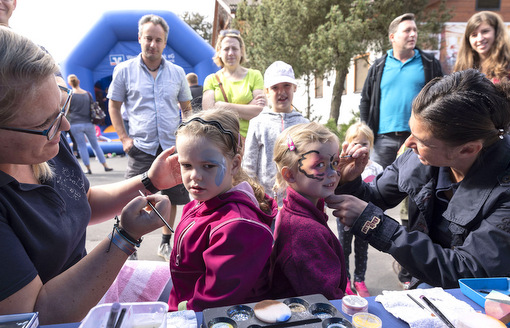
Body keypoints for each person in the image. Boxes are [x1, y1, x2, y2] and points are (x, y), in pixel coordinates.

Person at [0, 26, 179, 324]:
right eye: (46, 122)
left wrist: (150, 180)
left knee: (190, 283)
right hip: (64, 312)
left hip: (92, 288)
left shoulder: (47, 144)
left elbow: (85, 202)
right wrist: (124, 237)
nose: (65, 126)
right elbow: (38, 313)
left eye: (62, 108)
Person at [327, 69, 510, 289]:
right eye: (410, 131)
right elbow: (374, 197)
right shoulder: (420, 157)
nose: (407, 143)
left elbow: (469, 271)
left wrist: (379, 227)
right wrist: (351, 182)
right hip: (424, 281)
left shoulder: (504, 192)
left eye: (422, 139)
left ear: (467, 149)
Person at [168, 108, 277, 311]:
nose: (195, 176)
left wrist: (178, 314)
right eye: (186, 165)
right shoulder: (201, 202)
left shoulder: (237, 227)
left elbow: (213, 302)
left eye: (208, 166)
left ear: (234, 164)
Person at [108, 14, 192, 261]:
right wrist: (124, 139)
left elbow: (186, 108)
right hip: (140, 146)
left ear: (165, 43)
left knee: (172, 197)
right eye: (148, 38)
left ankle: (165, 243)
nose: (153, 44)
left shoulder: (177, 72)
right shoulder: (124, 71)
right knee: (133, 196)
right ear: (139, 39)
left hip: (170, 146)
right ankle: (129, 244)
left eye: (158, 39)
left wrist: (184, 136)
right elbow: (114, 105)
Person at [269, 122, 347, 300]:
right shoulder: (304, 231)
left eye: (335, 162)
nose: (333, 172)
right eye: (320, 165)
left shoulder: (304, 215)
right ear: (289, 175)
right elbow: (325, 299)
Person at [360, 13, 443, 169]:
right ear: (392, 37)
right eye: (407, 30)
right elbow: (365, 101)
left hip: (418, 138)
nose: (413, 34)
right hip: (382, 140)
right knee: (380, 184)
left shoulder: (430, 63)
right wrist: (366, 133)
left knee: (417, 185)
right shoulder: (378, 67)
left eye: (415, 30)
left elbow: (441, 98)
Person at [242, 61, 309, 205]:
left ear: (294, 88)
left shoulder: (305, 124)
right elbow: (249, 166)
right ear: (266, 91)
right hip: (267, 202)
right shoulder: (258, 123)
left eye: (287, 85)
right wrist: (254, 198)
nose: (282, 92)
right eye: (275, 87)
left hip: (299, 201)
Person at [337, 122, 382, 297]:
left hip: (367, 218)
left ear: (371, 144)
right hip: (345, 216)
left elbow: (379, 194)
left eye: (365, 143)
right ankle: (346, 279)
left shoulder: (376, 168)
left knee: (362, 250)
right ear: (348, 144)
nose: (361, 147)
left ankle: (359, 280)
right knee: (344, 249)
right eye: (356, 143)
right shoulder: (343, 166)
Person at [202, 29, 266, 139]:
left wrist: (221, 106)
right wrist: (248, 107)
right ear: (219, 52)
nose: (231, 53)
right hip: (221, 143)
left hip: (251, 142)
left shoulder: (255, 75)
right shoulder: (211, 80)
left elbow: (261, 111)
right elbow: (208, 115)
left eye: (235, 48)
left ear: (241, 51)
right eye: (226, 49)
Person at [66, 74, 113, 174]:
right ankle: (105, 165)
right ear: (78, 81)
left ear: (70, 83)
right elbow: (93, 108)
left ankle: (88, 168)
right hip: (88, 122)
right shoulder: (87, 94)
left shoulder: (70, 95)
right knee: (95, 145)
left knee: (82, 146)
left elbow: (68, 111)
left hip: (75, 123)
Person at [454, 11, 510, 83]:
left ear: (497, 33)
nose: (479, 39)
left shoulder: (507, 66)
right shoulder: (463, 66)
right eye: (474, 35)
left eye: (485, 31)